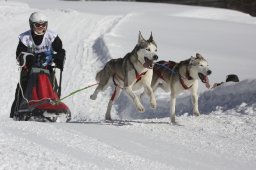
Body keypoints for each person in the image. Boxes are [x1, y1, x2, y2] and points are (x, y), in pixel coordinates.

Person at [10, 12, 66, 118]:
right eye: (37, 25)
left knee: (53, 87)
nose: (41, 27)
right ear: (32, 25)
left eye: (43, 24)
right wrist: (27, 57)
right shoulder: (25, 38)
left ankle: (54, 106)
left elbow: (60, 49)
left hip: (47, 68)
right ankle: (18, 111)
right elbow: (19, 54)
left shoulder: (51, 36)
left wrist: (59, 57)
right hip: (29, 69)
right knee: (22, 88)